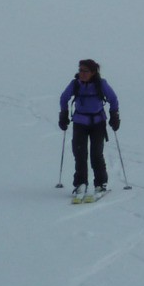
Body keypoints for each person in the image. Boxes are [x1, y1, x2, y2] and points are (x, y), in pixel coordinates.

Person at [58, 58, 121, 197]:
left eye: (85, 71)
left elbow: (113, 99)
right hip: (80, 123)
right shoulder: (75, 84)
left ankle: (100, 184)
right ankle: (80, 183)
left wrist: (114, 115)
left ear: (93, 72)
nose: (82, 73)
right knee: (79, 153)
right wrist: (63, 114)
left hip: (98, 123)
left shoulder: (101, 84)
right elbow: (64, 98)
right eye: (80, 70)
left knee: (96, 154)